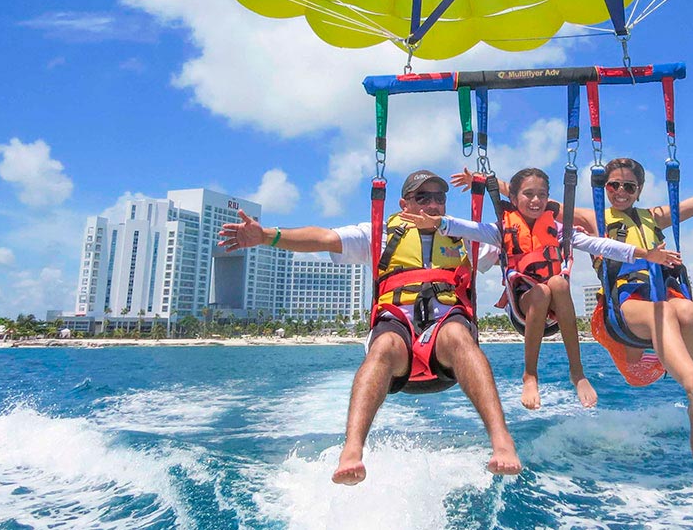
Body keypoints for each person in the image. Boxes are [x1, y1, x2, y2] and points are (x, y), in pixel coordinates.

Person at [454, 162, 693, 462]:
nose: (620, 192)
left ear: (639, 190)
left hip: (658, 294)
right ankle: (692, 380)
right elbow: (527, 199)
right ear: (603, 189)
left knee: (690, 313)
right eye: (613, 185)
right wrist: (482, 181)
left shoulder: (654, 217)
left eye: (629, 186)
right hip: (617, 308)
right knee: (664, 313)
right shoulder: (591, 217)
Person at [218, 170, 521, 485]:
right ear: (404, 204)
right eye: (423, 197)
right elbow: (324, 238)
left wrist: (501, 191)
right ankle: (352, 450)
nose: (433, 204)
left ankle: (501, 441)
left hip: (447, 336)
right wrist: (267, 236)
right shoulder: (381, 232)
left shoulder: (465, 233)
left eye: (439, 197)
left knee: (458, 335)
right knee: (383, 346)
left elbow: (522, 239)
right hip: (398, 331)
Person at [402, 167, 680, 412]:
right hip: (524, 305)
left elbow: (601, 245)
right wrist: (440, 223)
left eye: (541, 195)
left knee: (557, 282)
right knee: (542, 291)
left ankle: (577, 373)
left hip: (554, 311)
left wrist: (644, 253)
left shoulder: (559, 230)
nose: (535, 201)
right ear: (514, 198)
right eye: (528, 194)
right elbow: (471, 229)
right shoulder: (502, 229)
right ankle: (530, 375)